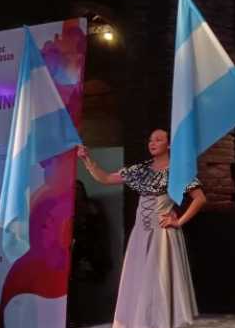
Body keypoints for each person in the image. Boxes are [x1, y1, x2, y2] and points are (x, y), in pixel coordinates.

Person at [78, 129, 206, 328]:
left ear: (169, 145)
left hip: (162, 234)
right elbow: (105, 178)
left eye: (158, 139)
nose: (152, 143)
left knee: (160, 283)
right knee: (139, 281)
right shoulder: (141, 169)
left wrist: (178, 222)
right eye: (150, 139)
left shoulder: (178, 170)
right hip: (141, 233)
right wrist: (87, 159)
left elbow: (199, 199)